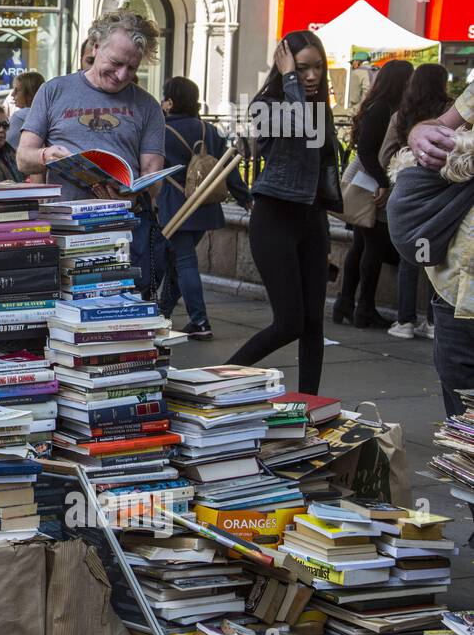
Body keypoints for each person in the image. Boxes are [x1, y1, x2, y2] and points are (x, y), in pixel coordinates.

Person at [16, 10, 167, 295]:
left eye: (132, 68)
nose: (122, 75)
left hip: (121, 235)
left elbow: (153, 176)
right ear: (95, 47)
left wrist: (134, 193)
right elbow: (23, 158)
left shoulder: (147, 106)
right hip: (61, 232)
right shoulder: (54, 91)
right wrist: (47, 156)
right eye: (116, 63)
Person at [226, 30, 339, 394]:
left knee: (313, 326)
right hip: (274, 217)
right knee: (289, 322)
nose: (311, 76)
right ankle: (217, 377)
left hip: (311, 220)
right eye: (302, 68)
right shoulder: (267, 105)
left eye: (317, 68)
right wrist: (287, 76)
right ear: (284, 67)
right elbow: (297, 129)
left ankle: (310, 407)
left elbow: (317, 163)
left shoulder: (320, 110)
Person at [154, 76, 251, 340]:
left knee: (184, 262)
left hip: (174, 207)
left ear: (171, 101)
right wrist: (245, 198)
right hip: (205, 207)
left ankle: (200, 321)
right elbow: (228, 172)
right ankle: (163, 313)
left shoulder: (161, 131)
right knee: (178, 261)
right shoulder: (209, 130)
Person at [388, 130, 474, 416]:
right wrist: (418, 132)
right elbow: (429, 131)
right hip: (455, 291)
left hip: (454, 287)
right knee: (462, 428)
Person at [332, 59, 412, 329]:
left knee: (361, 244)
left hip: (369, 184)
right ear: (399, 82)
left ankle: (345, 303)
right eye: (408, 80)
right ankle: (363, 307)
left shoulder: (377, 106)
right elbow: (367, 151)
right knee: (372, 246)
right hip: (372, 187)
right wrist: (383, 182)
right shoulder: (382, 109)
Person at [380, 63, 449, 339]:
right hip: (442, 193)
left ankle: (405, 320)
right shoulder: (450, 112)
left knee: (410, 258)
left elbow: (384, 154)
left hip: (409, 195)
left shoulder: (402, 115)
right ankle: (433, 322)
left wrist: (403, 172)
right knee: (437, 256)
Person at [6, 71, 44, 150]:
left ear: (29, 94)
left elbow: (7, 145)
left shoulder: (19, 116)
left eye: (17, 90)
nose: (12, 94)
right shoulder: (47, 114)